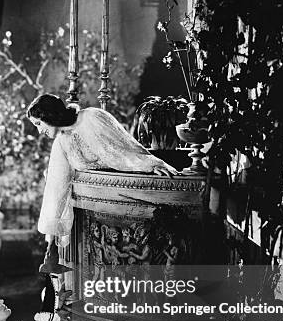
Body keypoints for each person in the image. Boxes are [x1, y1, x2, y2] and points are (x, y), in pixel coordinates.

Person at [27, 94, 178, 270]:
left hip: (133, 192)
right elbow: (56, 187)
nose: (39, 131)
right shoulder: (61, 142)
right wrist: (50, 248)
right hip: (98, 202)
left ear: (48, 115)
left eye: (38, 124)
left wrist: (151, 164)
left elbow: (122, 149)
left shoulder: (92, 116)